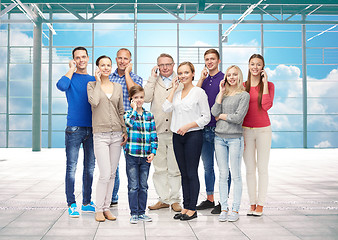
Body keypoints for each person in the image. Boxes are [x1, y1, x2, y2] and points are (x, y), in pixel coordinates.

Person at [163, 62, 210, 221]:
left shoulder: (199, 92)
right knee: (183, 173)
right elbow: (165, 108)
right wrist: (173, 89)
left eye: (186, 73)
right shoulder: (176, 94)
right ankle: (185, 207)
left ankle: (192, 209)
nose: (183, 76)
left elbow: (206, 117)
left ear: (192, 73)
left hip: (193, 136)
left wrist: (188, 126)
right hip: (177, 136)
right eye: (180, 73)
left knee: (191, 172)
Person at [56, 47, 96, 217]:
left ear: (88, 58)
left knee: (90, 168)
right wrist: (71, 69)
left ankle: (87, 201)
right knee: (71, 167)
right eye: (77, 58)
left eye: (83, 57)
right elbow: (61, 86)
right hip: (74, 129)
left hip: (93, 129)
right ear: (73, 60)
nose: (81, 60)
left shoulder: (94, 79)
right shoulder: (70, 77)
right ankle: (71, 203)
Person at [87, 55, 128, 222]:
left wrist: (124, 130)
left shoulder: (117, 87)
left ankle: (106, 208)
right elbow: (94, 102)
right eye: (102, 65)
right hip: (100, 135)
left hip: (117, 134)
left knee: (112, 174)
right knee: (104, 174)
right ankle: (98, 209)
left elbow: (121, 110)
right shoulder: (91, 85)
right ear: (97, 67)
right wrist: (97, 81)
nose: (105, 68)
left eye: (108, 65)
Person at [211, 65, 250, 222]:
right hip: (219, 138)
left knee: (236, 175)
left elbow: (238, 118)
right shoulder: (223, 95)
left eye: (235, 74)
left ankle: (235, 209)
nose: (232, 77)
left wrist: (222, 116)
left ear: (239, 76)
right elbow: (214, 112)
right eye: (229, 75)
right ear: (225, 78)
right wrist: (220, 92)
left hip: (235, 139)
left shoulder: (244, 95)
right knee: (222, 174)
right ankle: (224, 208)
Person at [144, 53, 182, 213]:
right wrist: (152, 79)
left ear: (173, 65)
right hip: (157, 131)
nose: (165, 67)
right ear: (157, 66)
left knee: (175, 168)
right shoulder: (154, 81)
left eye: (168, 64)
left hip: (176, 130)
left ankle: (174, 200)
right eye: (161, 65)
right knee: (159, 169)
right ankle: (163, 199)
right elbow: (145, 98)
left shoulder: (180, 81)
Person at [196, 49, 231, 214]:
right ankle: (210, 199)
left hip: (220, 129)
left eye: (212, 59)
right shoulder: (204, 80)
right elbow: (194, 96)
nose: (209, 62)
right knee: (207, 167)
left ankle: (223, 202)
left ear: (218, 60)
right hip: (204, 129)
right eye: (207, 59)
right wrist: (201, 79)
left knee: (223, 168)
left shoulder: (225, 79)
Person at [109, 48, 143, 206]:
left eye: (126, 59)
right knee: (112, 165)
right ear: (116, 59)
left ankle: (134, 199)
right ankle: (112, 196)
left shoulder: (136, 78)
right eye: (120, 58)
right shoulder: (108, 77)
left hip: (132, 127)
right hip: (114, 126)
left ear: (130, 61)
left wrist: (128, 74)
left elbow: (134, 93)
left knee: (132, 165)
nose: (123, 61)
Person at [243, 54, 275, 217]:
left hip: (263, 130)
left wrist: (263, 84)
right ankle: (252, 203)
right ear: (248, 66)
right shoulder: (242, 86)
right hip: (246, 131)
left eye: (258, 64)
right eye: (252, 64)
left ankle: (261, 204)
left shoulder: (269, 85)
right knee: (249, 169)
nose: (255, 67)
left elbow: (266, 105)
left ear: (263, 67)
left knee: (262, 168)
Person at [124, 85, 158, 224]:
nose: (139, 100)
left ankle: (142, 213)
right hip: (132, 155)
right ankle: (134, 213)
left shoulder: (149, 115)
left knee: (143, 185)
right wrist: (133, 110)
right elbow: (128, 124)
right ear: (131, 99)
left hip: (145, 157)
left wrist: (153, 152)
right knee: (133, 186)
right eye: (136, 97)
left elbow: (153, 135)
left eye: (141, 97)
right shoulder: (127, 114)